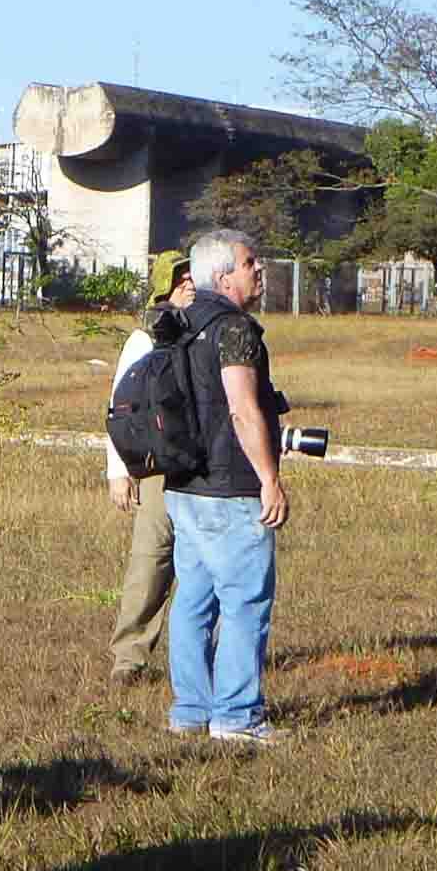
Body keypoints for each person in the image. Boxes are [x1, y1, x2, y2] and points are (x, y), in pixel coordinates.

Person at [165, 228, 291, 746]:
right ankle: (238, 716)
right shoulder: (235, 330)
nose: (259, 269)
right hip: (229, 488)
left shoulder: (175, 325)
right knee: (244, 603)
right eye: (250, 262)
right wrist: (269, 479)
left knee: (192, 600)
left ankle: (191, 710)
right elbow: (241, 407)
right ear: (223, 276)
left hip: (182, 486)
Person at [105, 250, 196, 683]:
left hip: (201, 462)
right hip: (158, 466)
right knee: (151, 561)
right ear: (164, 286)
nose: (189, 286)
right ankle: (129, 658)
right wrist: (118, 471)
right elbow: (120, 408)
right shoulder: (144, 338)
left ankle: (198, 657)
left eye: (194, 278)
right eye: (180, 280)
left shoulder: (209, 329)